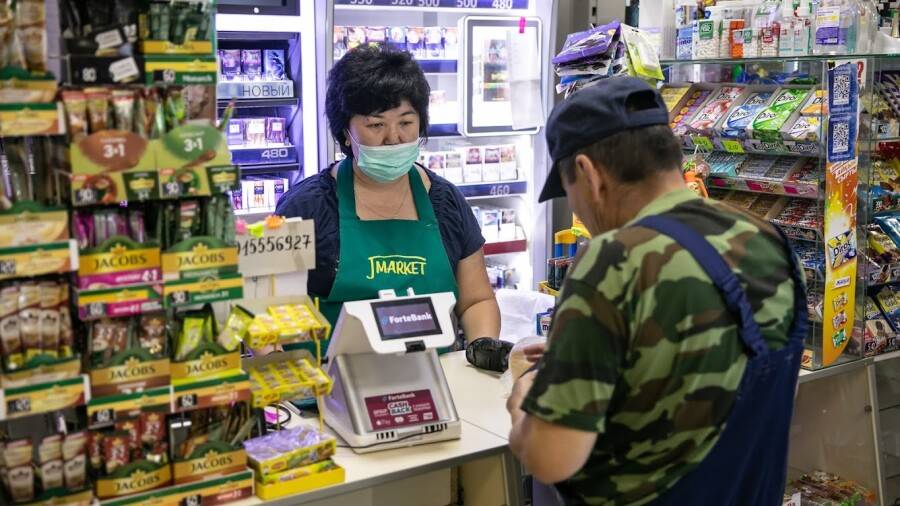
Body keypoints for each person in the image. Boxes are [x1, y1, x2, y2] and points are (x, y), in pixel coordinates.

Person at [506, 77, 807, 505]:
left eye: (568, 191)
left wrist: (524, 398)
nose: (576, 209)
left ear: (589, 174)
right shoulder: (767, 238)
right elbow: (762, 391)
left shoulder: (613, 260)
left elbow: (550, 458)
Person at [275, 46, 499, 348]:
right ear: (345, 132)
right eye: (376, 125)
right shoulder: (305, 208)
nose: (394, 138)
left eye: (406, 122)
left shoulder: (446, 202)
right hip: (332, 375)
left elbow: (476, 301)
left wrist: (482, 347)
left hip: (435, 373)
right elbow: (270, 312)